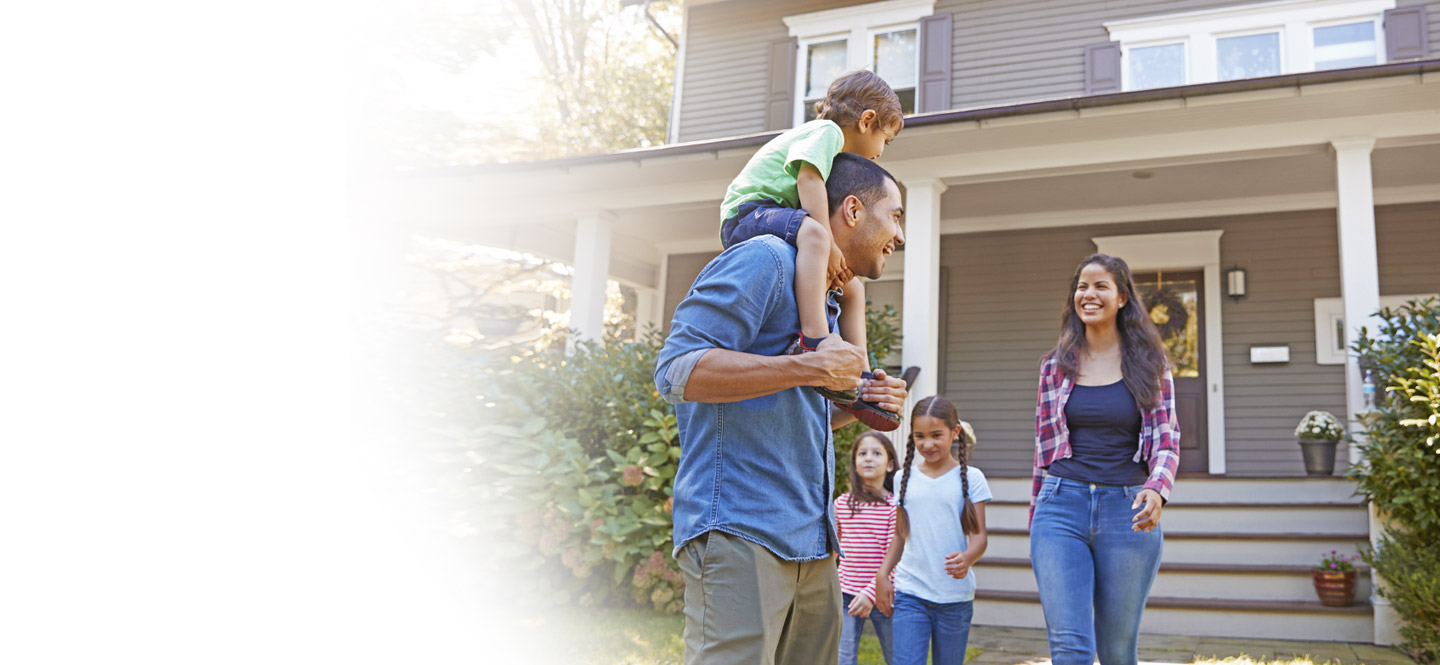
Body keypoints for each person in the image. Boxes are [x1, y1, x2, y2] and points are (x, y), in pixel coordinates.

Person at [654, 153, 910, 665]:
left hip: (813, 543)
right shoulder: (766, 259)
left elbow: (798, 408)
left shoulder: (827, 300)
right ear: (854, 210)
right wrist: (809, 369)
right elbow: (677, 370)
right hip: (741, 531)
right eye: (896, 215)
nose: (900, 237)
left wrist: (860, 405)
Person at [718, 69, 905, 430]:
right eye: (886, 139)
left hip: (771, 214)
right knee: (815, 236)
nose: (881, 152)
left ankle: (860, 379)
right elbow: (808, 180)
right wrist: (827, 240)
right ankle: (815, 340)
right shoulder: (826, 133)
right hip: (749, 210)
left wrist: (857, 392)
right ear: (867, 121)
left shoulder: (830, 147)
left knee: (853, 287)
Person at [1028, 253, 1180, 665]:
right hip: (1061, 507)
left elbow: (1167, 441)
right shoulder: (1053, 368)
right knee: (1071, 650)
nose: (1088, 294)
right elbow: (1043, 452)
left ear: (1122, 298)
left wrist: (1157, 490)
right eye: (1081, 286)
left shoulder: (1150, 365)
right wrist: (1037, 517)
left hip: (1127, 510)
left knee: (1116, 652)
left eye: (1100, 286)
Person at [875, 396, 990, 665]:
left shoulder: (972, 478)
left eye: (936, 435)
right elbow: (899, 535)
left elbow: (980, 536)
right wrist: (882, 575)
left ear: (955, 432)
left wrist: (968, 557)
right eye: (920, 436)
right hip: (910, 592)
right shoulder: (903, 478)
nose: (928, 444)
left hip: (954, 597)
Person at [835, 432, 900, 665]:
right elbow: (836, 549)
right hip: (846, 594)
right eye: (862, 454)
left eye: (876, 453)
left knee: (896, 656)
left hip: (884, 593)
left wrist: (870, 593)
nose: (868, 459)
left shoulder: (895, 507)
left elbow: (895, 557)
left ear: (890, 464)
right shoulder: (842, 504)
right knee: (843, 658)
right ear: (854, 463)